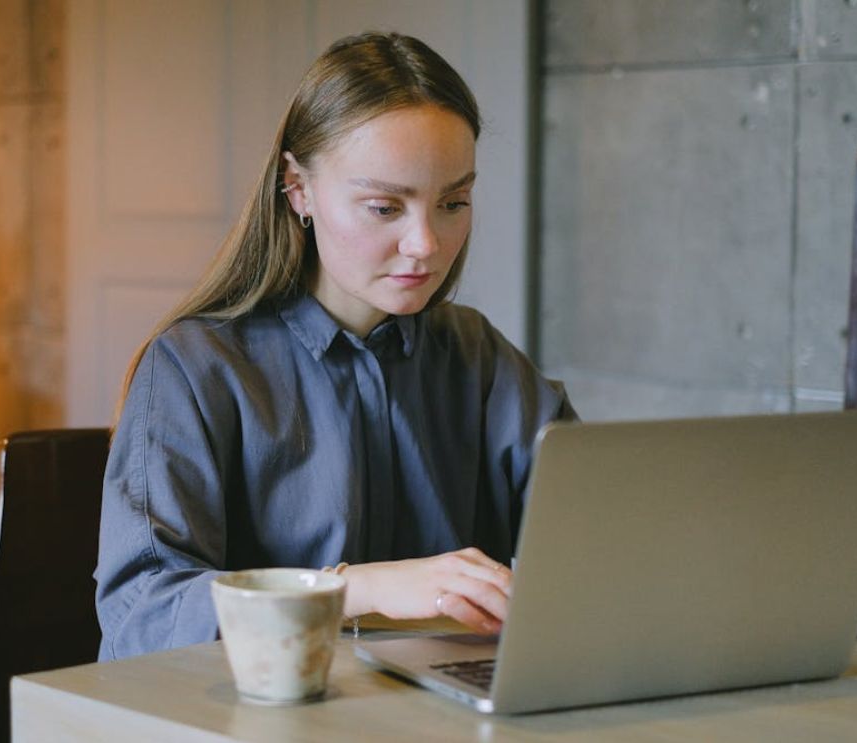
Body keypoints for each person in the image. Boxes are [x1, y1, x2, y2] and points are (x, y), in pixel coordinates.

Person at [95, 31, 576, 660]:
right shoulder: (195, 368)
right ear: (299, 189)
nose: (426, 243)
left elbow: (592, 529)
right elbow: (143, 613)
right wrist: (357, 588)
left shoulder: (476, 356)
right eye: (384, 207)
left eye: (454, 201)